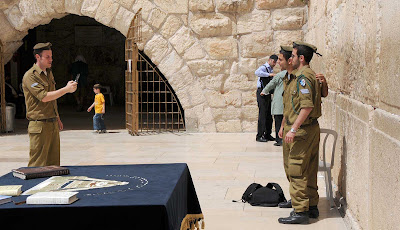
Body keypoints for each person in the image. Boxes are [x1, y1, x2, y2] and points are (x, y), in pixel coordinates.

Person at [277, 41, 323, 224]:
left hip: (302, 130)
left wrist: (293, 129)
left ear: (301, 58)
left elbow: (307, 106)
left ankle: (300, 211)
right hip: (306, 128)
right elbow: (291, 106)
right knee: (309, 169)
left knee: (296, 169)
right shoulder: (301, 76)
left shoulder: (303, 77)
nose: (291, 59)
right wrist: (283, 126)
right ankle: (310, 206)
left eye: (293, 56)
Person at [22, 42, 78, 167]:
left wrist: (57, 117)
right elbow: (44, 97)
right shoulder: (31, 76)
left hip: (52, 123)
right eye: (47, 57)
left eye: (51, 56)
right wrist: (66, 89)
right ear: (38, 57)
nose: (51, 60)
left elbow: (53, 98)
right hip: (39, 125)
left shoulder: (49, 73)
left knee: (53, 165)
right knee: (37, 165)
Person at [260, 46, 293, 146]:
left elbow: (271, 85)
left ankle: (280, 139)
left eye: (280, 59)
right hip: (286, 105)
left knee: (279, 121)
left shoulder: (279, 75)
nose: (278, 62)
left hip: (279, 103)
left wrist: (264, 91)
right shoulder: (287, 74)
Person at [255, 54, 278, 142]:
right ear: (270, 60)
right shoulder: (264, 67)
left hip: (267, 93)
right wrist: (269, 74)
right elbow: (257, 72)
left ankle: (267, 134)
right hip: (261, 93)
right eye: (274, 62)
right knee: (262, 114)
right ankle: (259, 135)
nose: (274, 64)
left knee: (269, 114)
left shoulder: (270, 69)